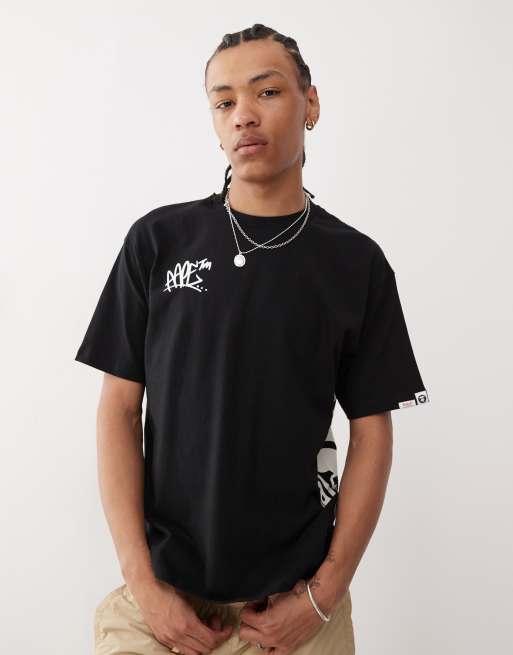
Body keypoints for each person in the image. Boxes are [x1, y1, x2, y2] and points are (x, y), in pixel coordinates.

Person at [75, 23, 430, 655]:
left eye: (267, 92)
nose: (243, 115)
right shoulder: (158, 242)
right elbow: (118, 411)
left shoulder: (355, 264)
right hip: (161, 602)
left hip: (295, 611)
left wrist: (323, 595)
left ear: (310, 104)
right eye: (224, 101)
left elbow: (372, 431)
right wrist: (144, 586)